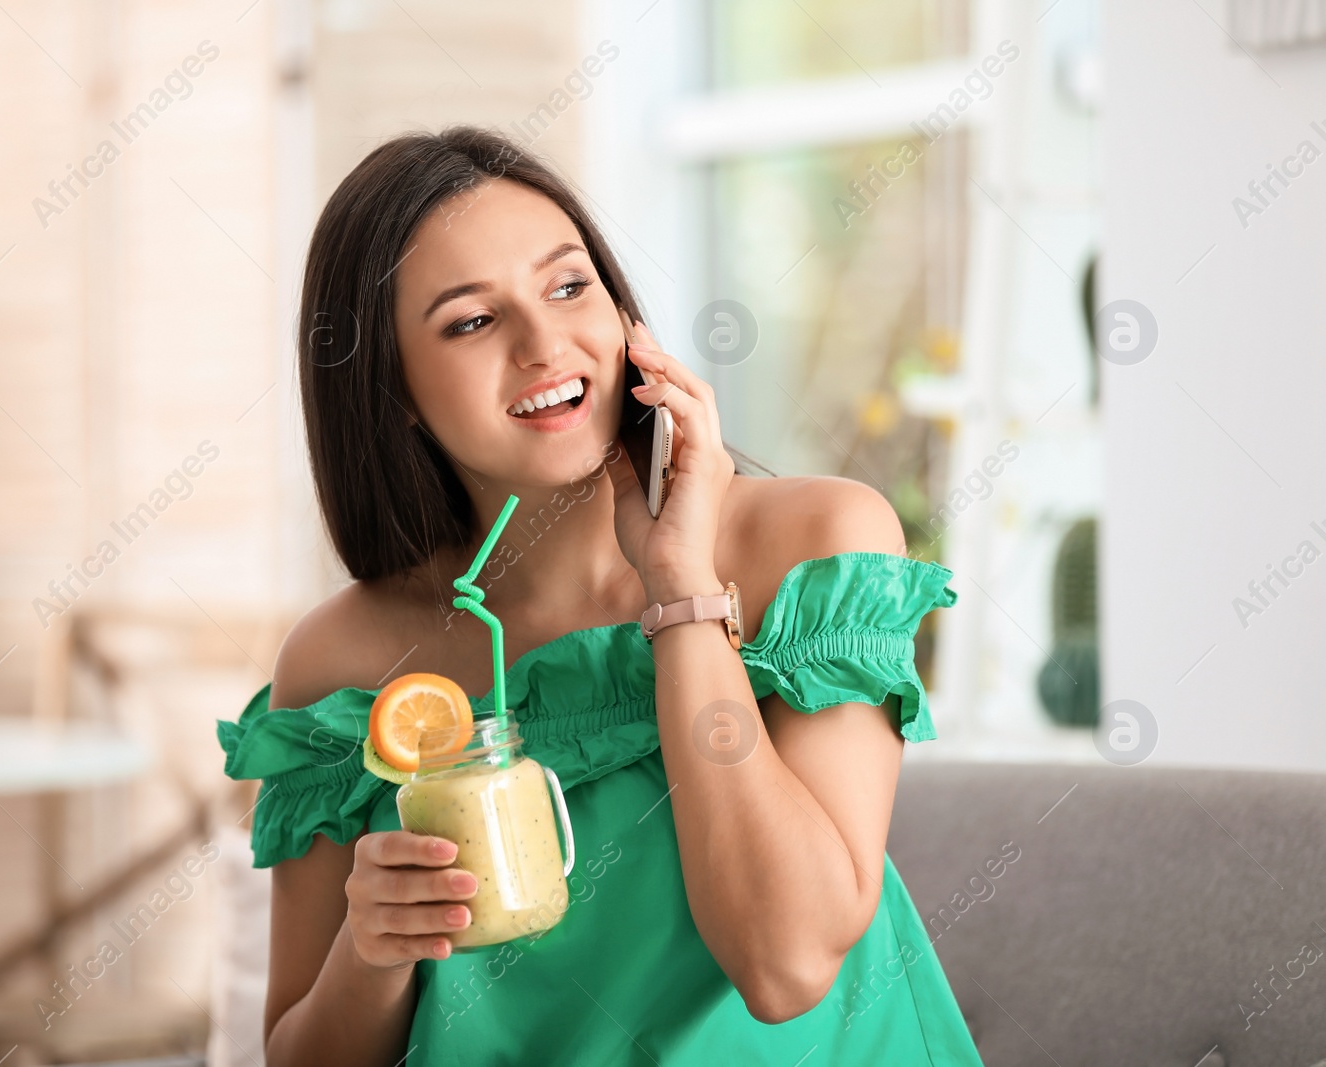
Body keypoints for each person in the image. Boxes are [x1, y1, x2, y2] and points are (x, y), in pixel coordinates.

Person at [216, 125, 983, 1066]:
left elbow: (784, 968)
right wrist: (371, 951)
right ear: (394, 388)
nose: (546, 344)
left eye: (569, 286)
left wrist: (681, 589)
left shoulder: (815, 546)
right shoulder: (346, 663)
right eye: (471, 320)